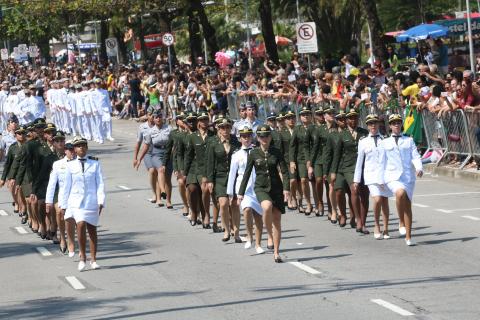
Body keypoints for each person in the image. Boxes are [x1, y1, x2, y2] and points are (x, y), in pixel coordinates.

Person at [238, 125, 290, 263]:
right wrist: (240, 193)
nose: (264, 138)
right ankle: (269, 234)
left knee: (277, 220)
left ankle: (276, 253)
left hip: (276, 189)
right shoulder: (253, 153)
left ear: (270, 137)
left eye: (266, 135)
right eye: (261, 136)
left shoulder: (276, 152)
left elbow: (284, 172)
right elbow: (247, 173)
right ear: (258, 138)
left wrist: (286, 189)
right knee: (266, 207)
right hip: (261, 187)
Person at [60, 136, 105, 271]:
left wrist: (101, 200)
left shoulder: (95, 163)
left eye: (84, 145)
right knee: (80, 224)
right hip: (76, 202)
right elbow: (66, 187)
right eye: (79, 146)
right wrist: (63, 204)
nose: (81, 148)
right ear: (74, 149)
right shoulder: (70, 165)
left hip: (91, 201)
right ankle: (82, 257)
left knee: (92, 229)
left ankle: (93, 259)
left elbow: (100, 183)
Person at [380, 114, 423, 246]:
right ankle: (401, 221)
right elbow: (382, 162)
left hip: (407, 177)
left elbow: (415, 156)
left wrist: (419, 168)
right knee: (400, 193)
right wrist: (380, 179)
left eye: (398, 122)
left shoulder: (408, 140)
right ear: (390, 126)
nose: (396, 124)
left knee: (408, 206)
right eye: (394, 123)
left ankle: (408, 237)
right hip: (392, 176)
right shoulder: (385, 142)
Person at [227, 125, 264, 253]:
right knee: (247, 210)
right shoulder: (236, 155)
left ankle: (258, 244)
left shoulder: (258, 151)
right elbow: (232, 174)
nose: (246, 138)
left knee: (258, 216)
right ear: (239, 138)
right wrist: (230, 193)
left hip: (258, 186)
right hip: (243, 187)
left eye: (248, 135)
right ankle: (249, 236)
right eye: (243, 136)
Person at [353, 114, 391, 240]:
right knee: (378, 199)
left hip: (384, 175)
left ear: (379, 124)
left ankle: (386, 228)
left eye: (375, 123)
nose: (373, 126)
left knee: (385, 201)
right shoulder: (363, 141)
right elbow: (359, 162)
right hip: (371, 175)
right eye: (370, 124)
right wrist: (356, 180)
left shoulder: (385, 139)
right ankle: (376, 224)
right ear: (367, 126)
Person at [207, 117, 241, 242]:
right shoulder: (213, 144)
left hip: (235, 177)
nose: (225, 130)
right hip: (220, 177)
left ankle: (236, 232)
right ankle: (226, 230)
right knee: (223, 203)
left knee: (234, 205)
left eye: (227, 127)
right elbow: (210, 163)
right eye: (222, 127)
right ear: (218, 129)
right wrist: (210, 180)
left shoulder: (236, 143)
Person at [135, 109, 173, 208]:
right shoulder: (150, 132)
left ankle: (168, 201)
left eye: (160, 116)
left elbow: (174, 143)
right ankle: (162, 192)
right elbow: (146, 146)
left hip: (168, 154)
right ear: (154, 119)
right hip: (156, 153)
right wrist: (139, 159)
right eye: (156, 117)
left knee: (168, 179)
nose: (158, 119)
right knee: (160, 170)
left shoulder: (169, 128)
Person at [46, 138, 76, 256]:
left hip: (76, 195)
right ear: (65, 151)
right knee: (59, 213)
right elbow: (52, 183)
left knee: (73, 219)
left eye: (73, 149)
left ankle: (71, 240)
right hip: (62, 195)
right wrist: (48, 202)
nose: (71, 152)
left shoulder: (80, 162)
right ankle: (62, 237)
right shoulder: (58, 164)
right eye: (69, 149)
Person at [289, 105, 314, 215]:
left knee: (312, 181)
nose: (305, 116)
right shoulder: (297, 129)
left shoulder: (315, 128)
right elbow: (292, 146)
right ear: (300, 117)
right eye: (303, 115)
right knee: (303, 180)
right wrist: (292, 161)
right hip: (301, 158)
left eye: (307, 114)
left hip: (314, 157)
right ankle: (308, 203)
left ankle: (316, 203)